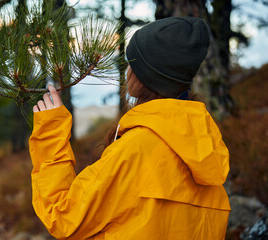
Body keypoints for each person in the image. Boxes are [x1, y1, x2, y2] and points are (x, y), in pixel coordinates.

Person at [29, 16, 231, 240]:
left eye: (132, 63)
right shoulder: (207, 144)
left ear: (145, 76)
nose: (127, 71)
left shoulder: (137, 150)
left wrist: (50, 134)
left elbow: (64, 218)